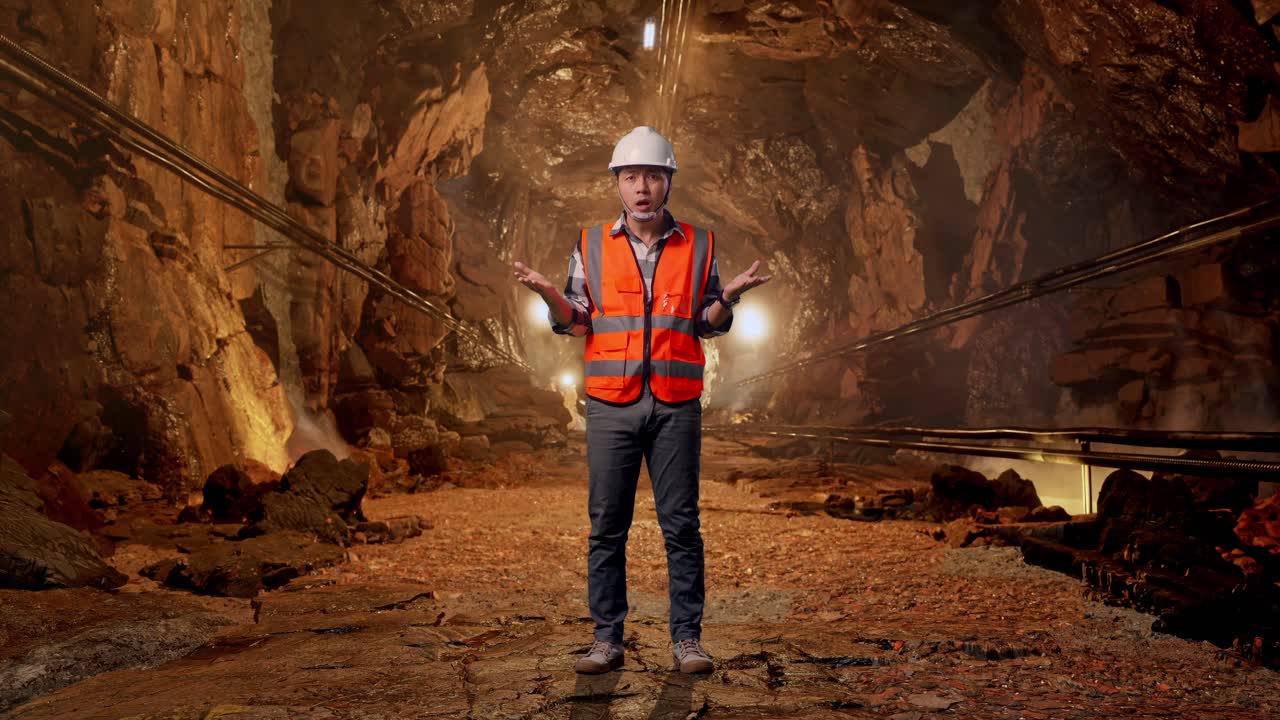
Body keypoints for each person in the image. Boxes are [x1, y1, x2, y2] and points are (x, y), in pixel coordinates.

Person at [513, 126, 771, 675]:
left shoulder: (699, 243)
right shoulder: (590, 243)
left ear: (668, 181)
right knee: (607, 524)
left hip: (676, 403)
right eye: (631, 176)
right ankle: (607, 640)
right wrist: (550, 295)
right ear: (618, 185)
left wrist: (728, 298)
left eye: (653, 175)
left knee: (681, 524)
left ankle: (688, 640)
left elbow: (708, 322)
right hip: (611, 402)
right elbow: (576, 322)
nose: (642, 187)